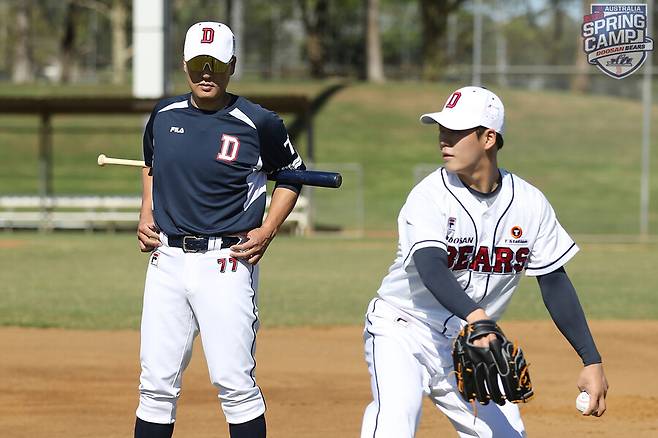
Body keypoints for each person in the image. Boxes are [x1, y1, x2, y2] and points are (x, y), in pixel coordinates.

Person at [360, 86, 609, 438]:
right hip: (403, 329)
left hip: (468, 340)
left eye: (456, 132)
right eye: (442, 131)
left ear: (488, 138)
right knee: (396, 419)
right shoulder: (429, 196)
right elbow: (432, 267)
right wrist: (480, 319)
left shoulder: (529, 203)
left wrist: (591, 359)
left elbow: (554, 281)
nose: (444, 140)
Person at [134, 21, 305, 438]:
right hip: (167, 260)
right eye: (198, 63)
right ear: (185, 64)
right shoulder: (164, 114)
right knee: (155, 386)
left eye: (215, 64)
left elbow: (292, 175)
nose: (206, 73)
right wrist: (145, 211)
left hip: (226, 261)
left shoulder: (259, 122)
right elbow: (150, 165)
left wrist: (267, 230)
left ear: (232, 65)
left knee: (234, 384)